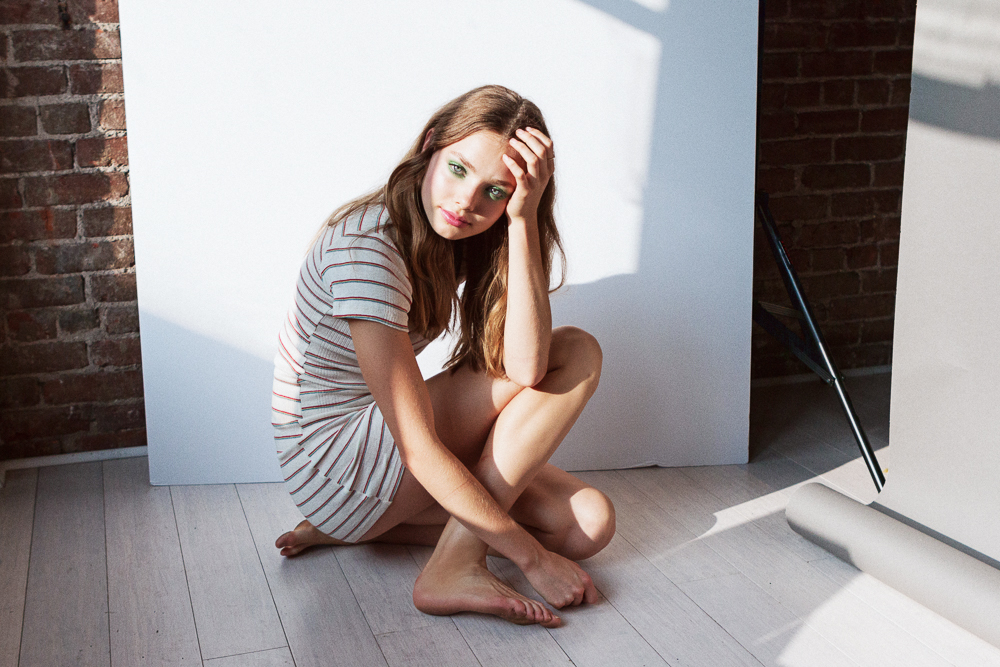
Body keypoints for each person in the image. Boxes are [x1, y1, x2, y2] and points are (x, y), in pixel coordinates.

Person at [271, 85, 614, 627]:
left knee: (588, 525)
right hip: (334, 460)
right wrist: (532, 559)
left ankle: (364, 530)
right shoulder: (367, 250)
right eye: (458, 169)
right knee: (576, 351)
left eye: (494, 190)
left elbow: (524, 366)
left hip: (366, 480)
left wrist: (523, 220)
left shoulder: (462, 237)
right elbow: (419, 447)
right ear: (430, 145)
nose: (466, 202)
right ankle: (453, 564)